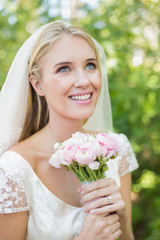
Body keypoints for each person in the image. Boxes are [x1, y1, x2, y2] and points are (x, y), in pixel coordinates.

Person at [0, 21, 139, 240]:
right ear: (38, 85)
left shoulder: (116, 149)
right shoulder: (13, 170)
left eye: (90, 65)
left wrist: (120, 217)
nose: (84, 81)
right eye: (64, 68)